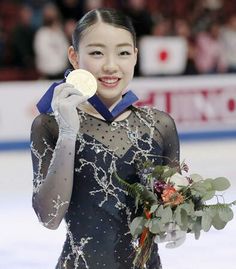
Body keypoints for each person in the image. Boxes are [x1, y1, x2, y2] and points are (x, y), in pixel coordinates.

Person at [30, 8, 180, 269]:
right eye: (97, 52)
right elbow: (49, 218)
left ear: (135, 55)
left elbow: (171, 203)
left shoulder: (160, 125)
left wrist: (176, 220)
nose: (111, 65)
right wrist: (68, 134)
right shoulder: (50, 125)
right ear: (74, 57)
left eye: (123, 52)